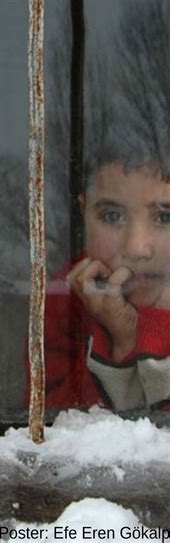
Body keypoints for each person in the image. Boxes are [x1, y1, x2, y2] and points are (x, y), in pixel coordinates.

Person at [40, 131, 170, 412]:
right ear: (83, 212)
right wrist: (121, 340)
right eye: (113, 216)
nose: (136, 248)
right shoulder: (68, 298)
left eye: (164, 217)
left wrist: (158, 329)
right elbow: (64, 424)